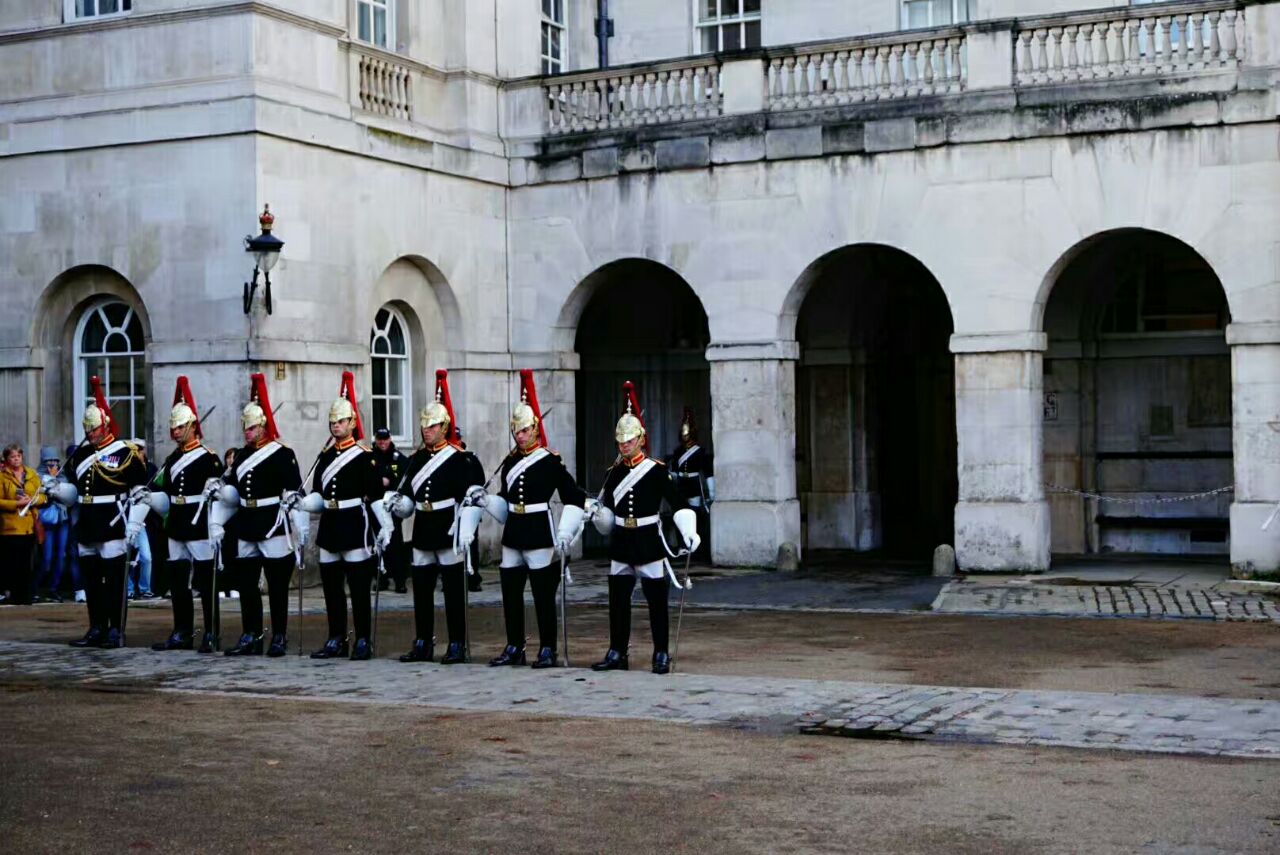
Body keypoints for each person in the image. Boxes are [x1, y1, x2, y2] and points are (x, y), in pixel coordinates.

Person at [468, 369, 585, 669]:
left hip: (537, 530)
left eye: (524, 430)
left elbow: (573, 495)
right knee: (510, 593)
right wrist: (486, 500)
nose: (519, 436)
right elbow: (507, 501)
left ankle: (548, 648)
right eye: (515, 432)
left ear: (534, 429)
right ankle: (514, 646)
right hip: (514, 531)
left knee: (543, 595)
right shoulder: (509, 462)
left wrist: (567, 530)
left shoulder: (549, 461)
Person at [587, 381, 700, 675]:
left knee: (656, 602)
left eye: (629, 440)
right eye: (620, 441)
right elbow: (606, 507)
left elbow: (679, 503)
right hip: (622, 540)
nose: (624, 445)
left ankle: (661, 652)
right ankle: (617, 651)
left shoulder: (657, 471)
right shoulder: (613, 473)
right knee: (618, 601)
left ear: (640, 439)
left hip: (649, 540)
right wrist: (596, 514)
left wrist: (688, 529)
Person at [385, 369, 484, 664]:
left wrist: (467, 528)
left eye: (432, 426)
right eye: (424, 425)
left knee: (453, 592)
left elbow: (473, 498)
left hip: (448, 528)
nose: (426, 430)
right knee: (422, 593)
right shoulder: (415, 459)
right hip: (423, 529)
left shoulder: (461, 459)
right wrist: (397, 504)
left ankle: (456, 643)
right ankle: (423, 642)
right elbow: (408, 497)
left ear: (445, 427)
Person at [289, 371, 390, 661]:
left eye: (340, 422)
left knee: (358, 588)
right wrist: (303, 503)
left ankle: (362, 640)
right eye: (332, 422)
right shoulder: (325, 455)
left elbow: (374, 494)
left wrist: (383, 526)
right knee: (332, 588)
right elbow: (320, 492)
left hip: (354, 524)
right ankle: (336, 637)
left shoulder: (363, 455)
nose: (335, 426)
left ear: (352, 423)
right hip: (331, 525)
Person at [49, 377, 150, 648]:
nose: (89, 433)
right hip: (88, 521)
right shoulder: (81, 456)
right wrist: (56, 491)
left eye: (93, 428)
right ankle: (96, 627)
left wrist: (134, 524)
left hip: (113, 520)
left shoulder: (125, 453)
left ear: (104, 425)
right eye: (87, 428)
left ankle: (115, 629)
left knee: (114, 580)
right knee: (91, 580)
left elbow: (140, 491)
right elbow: (76, 493)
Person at [209, 373, 302, 657]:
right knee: (247, 586)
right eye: (244, 428)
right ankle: (251, 633)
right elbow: (234, 490)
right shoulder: (240, 456)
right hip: (247, 525)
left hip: (272, 524)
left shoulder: (281, 453)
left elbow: (294, 490)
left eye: (250, 428)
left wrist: (296, 523)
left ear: (262, 426)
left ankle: (280, 636)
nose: (246, 433)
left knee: (276, 587)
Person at [150, 377, 224, 653]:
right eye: (173, 427)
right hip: (177, 521)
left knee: (205, 582)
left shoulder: (208, 458)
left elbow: (218, 490)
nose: (176, 432)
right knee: (178, 582)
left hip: (198, 522)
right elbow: (166, 490)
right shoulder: (172, 459)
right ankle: (182, 631)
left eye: (180, 427)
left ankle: (211, 632)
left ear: (193, 426)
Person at [0, 443, 46, 606]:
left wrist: (33, 500)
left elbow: (43, 496)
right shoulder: (2, 476)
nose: (16, 459)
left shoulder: (32, 474)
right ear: (6, 459)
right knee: (13, 563)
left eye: (18, 456)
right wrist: (15, 504)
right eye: (12, 457)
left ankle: (27, 595)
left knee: (29, 563)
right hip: (11, 527)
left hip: (29, 525)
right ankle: (13, 594)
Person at [668, 407, 714, 562]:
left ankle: (696, 548)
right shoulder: (678, 451)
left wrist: (711, 491)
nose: (684, 435)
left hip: (694, 485)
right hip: (681, 485)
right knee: (679, 515)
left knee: (695, 515)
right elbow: (674, 470)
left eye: (687, 432)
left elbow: (707, 471)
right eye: (683, 432)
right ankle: (682, 545)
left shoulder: (700, 451)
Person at [370, 427, 409, 593]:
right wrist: (380, 481)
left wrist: (391, 481)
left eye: (385, 439)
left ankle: (400, 581)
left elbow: (405, 480)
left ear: (390, 439)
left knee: (396, 545)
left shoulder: (398, 458)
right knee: (378, 544)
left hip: (392, 509)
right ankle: (381, 578)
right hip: (375, 506)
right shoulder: (370, 457)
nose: (382, 442)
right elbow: (365, 478)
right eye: (379, 439)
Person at [35, 447, 70, 603]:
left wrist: (55, 481)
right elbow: (38, 494)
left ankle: (53, 589)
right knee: (47, 557)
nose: (52, 465)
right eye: (48, 462)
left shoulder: (63, 477)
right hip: (47, 520)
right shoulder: (36, 476)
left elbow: (67, 495)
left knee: (61, 555)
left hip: (62, 520)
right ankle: (35, 588)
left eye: (55, 461)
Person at [127, 439, 157, 600]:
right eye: (134, 450)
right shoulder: (126, 468)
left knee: (146, 556)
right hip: (127, 514)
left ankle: (145, 588)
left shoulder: (151, 469)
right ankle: (129, 588)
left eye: (139, 449)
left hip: (143, 516)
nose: (137, 453)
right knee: (129, 555)